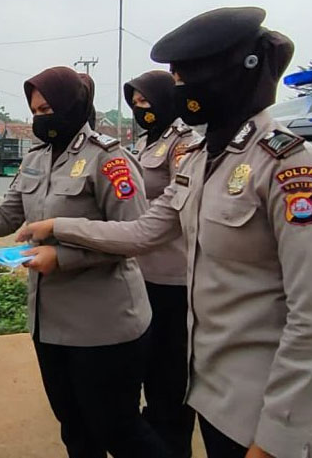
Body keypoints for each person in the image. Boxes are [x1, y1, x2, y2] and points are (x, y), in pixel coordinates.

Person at [19, 7, 312, 458]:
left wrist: (274, 440)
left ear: (236, 73)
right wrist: (60, 226)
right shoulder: (200, 160)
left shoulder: (293, 168)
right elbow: (142, 232)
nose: (178, 91)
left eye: (185, 79)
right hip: (216, 399)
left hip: (277, 419)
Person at [0, 67, 170, 458]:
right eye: (35, 110)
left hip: (103, 326)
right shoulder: (36, 158)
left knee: (120, 431)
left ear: (72, 105)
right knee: (74, 428)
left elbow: (134, 237)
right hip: (49, 326)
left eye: (48, 108)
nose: (40, 118)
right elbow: (4, 217)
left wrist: (64, 256)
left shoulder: (109, 159)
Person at [125, 70, 197, 457]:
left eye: (147, 102)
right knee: (145, 369)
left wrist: (128, 218)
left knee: (170, 379)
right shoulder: (142, 144)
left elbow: (177, 204)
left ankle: (172, 447)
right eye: (136, 104)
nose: (141, 110)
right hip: (139, 273)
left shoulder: (183, 144)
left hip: (172, 279)